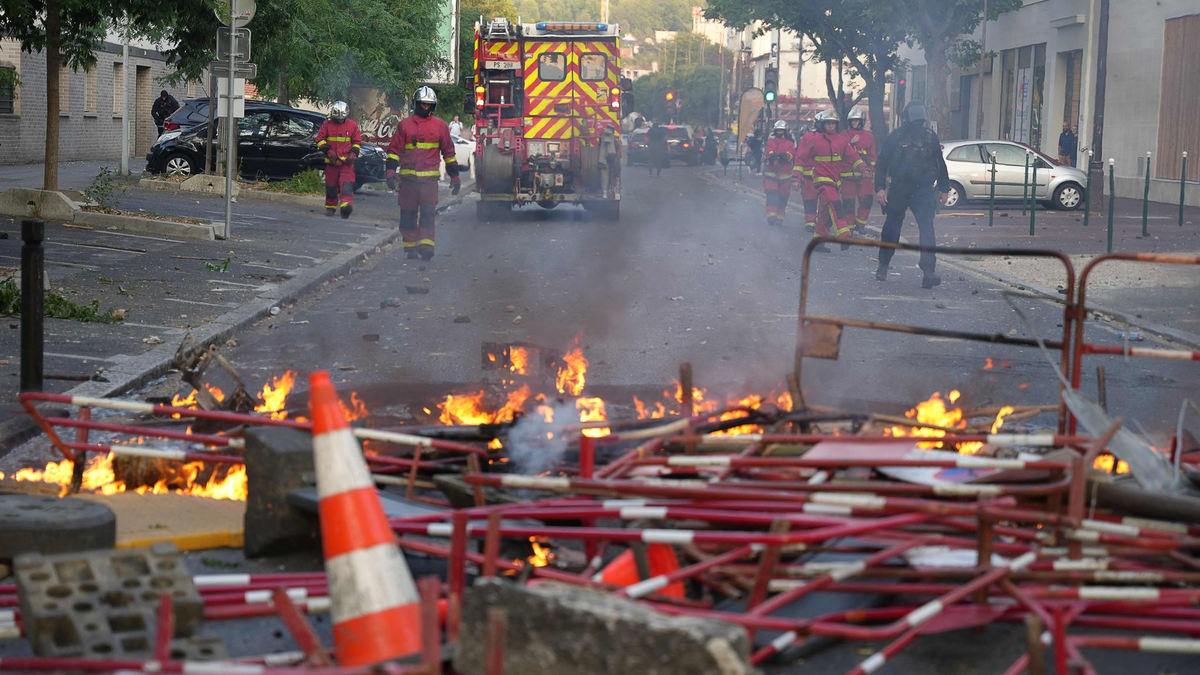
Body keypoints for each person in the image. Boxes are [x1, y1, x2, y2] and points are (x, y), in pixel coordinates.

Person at [874, 100, 950, 288]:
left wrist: (944, 187)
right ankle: (883, 265)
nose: (918, 125)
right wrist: (880, 188)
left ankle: (928, 272)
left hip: (923, 189)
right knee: (892, 227)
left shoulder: (930, 137)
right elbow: (882, 163)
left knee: (927, 228)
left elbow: (939, 163)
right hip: (900, 188)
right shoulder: (895, 137)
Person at [386, 86, 460, 261]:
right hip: (408, 182)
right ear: (416, 104)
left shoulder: (440, 126)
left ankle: (426, 246)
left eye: (429, 105)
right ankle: (410, 248)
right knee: (408, 215)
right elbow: (393, 151)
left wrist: (455, 176)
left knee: (427, 214)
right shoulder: (405, 125)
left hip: (429, 183)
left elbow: (449, 153)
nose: (425, 108)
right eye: (423, 104)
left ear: (433, 106)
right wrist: (390, 171)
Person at [795, 109, 861, 251]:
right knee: (835, 204)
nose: (831, 126)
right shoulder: (814, 141)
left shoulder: (842, 141)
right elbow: (800, 159)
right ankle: (843, 234)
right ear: (822, 124)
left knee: (825, 214)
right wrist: (796, 178)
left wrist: (864, 169)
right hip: (821, 180)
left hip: (835, 182)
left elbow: (853, 157)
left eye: (833, 123)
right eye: (828, 123)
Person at [842, 108, 877, 233]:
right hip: (848, 174)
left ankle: (860, 224)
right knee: (848, 202)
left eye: (857, 121)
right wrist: (850, 143)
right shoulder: (844, 135)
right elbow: (841, 152)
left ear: (862, 121)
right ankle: (849, 227)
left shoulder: (869, 136)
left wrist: (872, 171)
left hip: (864, 174)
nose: (854, 123)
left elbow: (872, 156)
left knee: (867, 199)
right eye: (852, 121)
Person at [763, 121, 796, 227]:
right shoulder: (771, 142)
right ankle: (771, 217)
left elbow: (792, 154)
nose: (779, 132)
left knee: (783, 198)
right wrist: (772, 156)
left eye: (781, 130)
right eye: (778, 130)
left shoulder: (790, 143)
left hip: (785, 176)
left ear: (785, 131)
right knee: (772, 195)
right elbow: (769, 151)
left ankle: (780, 218)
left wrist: (785, 156)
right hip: (771, 175)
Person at [793, 123, 819, 232]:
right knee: (809, 201)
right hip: (809, 178)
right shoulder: (808, 138)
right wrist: (796, 178)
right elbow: (800, 159)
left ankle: (819, 223)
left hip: (825, 178)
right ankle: (810, 223)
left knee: (826, 203)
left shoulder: (834, 139)